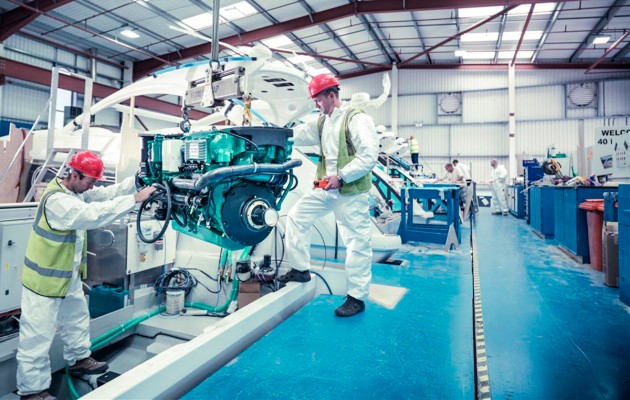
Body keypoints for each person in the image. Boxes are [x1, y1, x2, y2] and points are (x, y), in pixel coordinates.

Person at [16, 151, 156, 400]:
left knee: (76, 318)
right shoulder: (57, 202)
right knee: (37, 339)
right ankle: (32, 391)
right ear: (74, 174)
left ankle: (79, 358)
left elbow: (104, 195)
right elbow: (93, 215)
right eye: (90, 181)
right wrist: (135, 199)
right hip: (43, 283)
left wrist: (136, 183)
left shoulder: (74, 192)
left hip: (65, 278)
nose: (93, 186)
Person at [278, 74, 378, 317]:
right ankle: (301, 269)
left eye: (318, 100)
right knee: (297, 216)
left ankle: (356, 297)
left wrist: (342, 177)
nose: (316, 105)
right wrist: (275, 132)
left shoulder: (357, 119)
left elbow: (369, 156)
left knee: (356, 242)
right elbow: (298, 135)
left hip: (350, 191)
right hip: (326, 189)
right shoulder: (323, 121)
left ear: (332, 96)